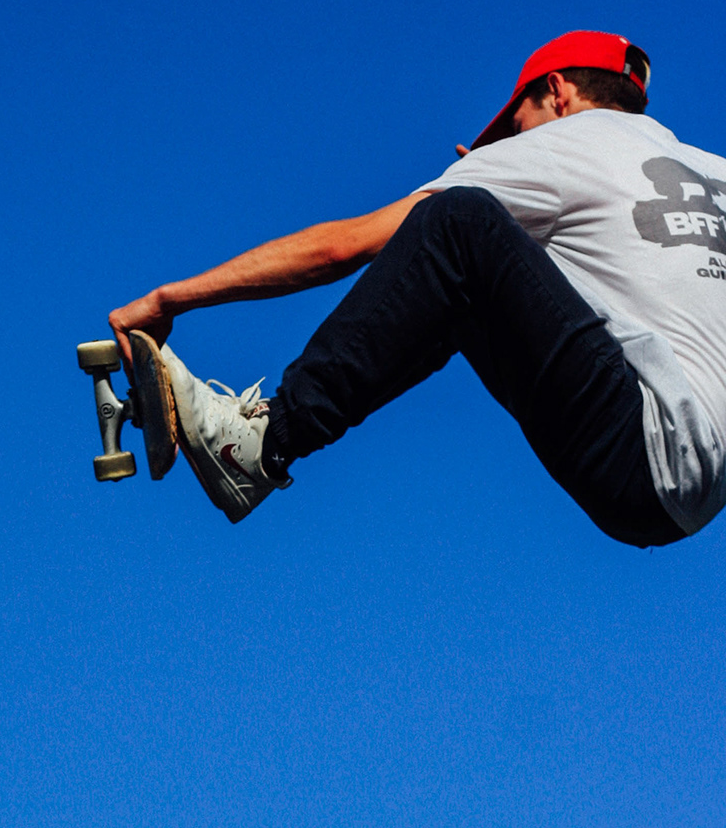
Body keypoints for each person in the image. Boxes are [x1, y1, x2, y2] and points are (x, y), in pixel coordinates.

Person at [108, 31, 726, 546]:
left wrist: (172, 298)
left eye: (517, 123)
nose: (516, 141)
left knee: (456, 220)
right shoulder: (713, 171)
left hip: (640, 452)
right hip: (695, 493)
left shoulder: (562, 144)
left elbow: (343, 247)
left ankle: (259, 445)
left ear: (557, 93)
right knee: (479, 245)